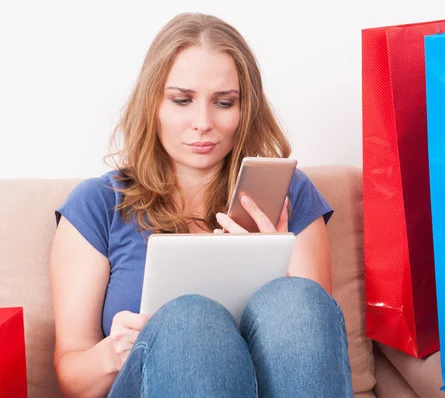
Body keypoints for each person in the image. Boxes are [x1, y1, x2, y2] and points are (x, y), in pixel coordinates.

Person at [50, 12, 353, 398]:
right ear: (153, 105)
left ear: (245, 110)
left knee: (294, 299)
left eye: (224, 103)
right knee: (190, 318)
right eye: (182, 100)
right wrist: (113, 352)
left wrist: (276, 260)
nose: (203, 122)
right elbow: (71, 377)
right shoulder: (95, 204)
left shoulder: (288, 192)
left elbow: (310, 347)